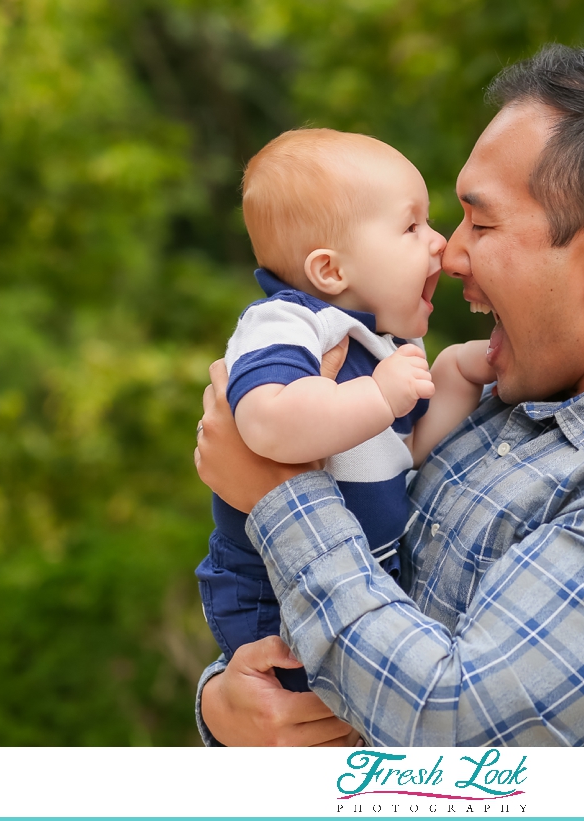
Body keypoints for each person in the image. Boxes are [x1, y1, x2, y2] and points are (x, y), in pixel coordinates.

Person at [193, 44, 584, 746]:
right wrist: (227, 707)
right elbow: (354, 611)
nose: (449, 255)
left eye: (481, 224)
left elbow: (449, 721)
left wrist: (278, 493)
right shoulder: (524, 386)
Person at [197, 128, 495, 693]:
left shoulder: (379, 344)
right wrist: (379, 396)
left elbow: (406, 449)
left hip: (351, 584)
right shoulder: (289, 325)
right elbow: (265, 422)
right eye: (412, 227)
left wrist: (457, 373)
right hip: (273, 599)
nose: (440, 245)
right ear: (330, 272)